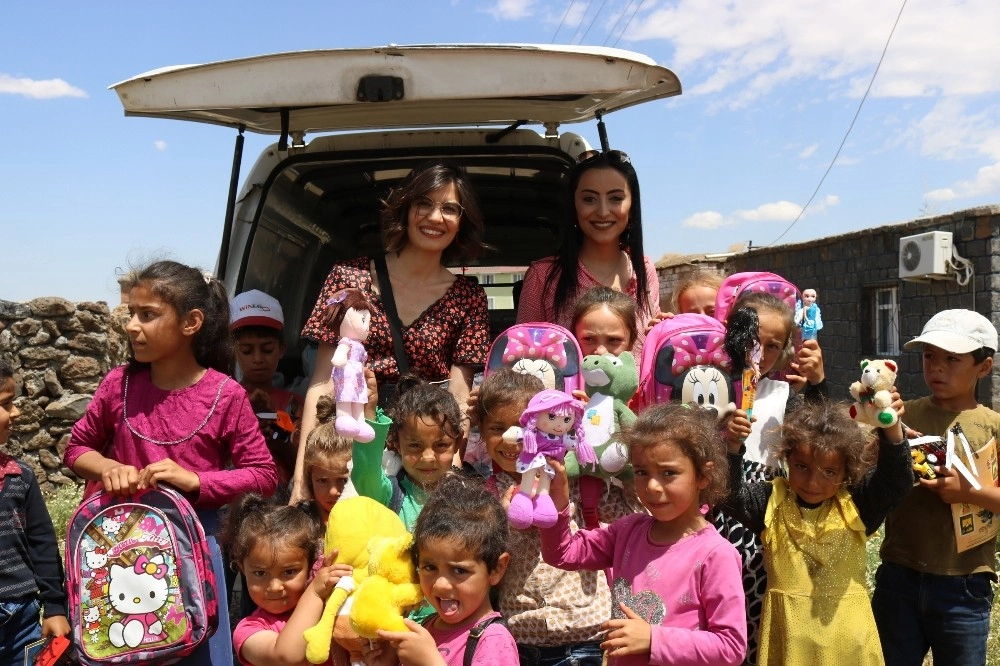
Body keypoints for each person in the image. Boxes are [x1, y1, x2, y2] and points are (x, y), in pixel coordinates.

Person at [63, 260, 279, 665]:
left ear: (191, 322)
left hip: (194, 553)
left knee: (193, 644)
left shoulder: (225, 394)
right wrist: (109, 468)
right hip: (121, 551)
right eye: (131, 313)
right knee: (124, 641)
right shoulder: (119, 385)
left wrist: (196, 481)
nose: (131, 326)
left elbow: (264, 476)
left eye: (147, 315)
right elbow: (77, 448)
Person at [296, 161, 492, 500]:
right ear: (405, 209)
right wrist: (301, 480)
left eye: (449, 208)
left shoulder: (469, 296)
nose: (435, 217)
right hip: (349, 451)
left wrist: (453, 466)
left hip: (424, 456)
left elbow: (459, 395)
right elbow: (323, 383)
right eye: (424, 204)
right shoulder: (348, 277)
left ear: (462, 222)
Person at [538, 403, 746, 666]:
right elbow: (562, 553)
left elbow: (731, 647)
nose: (652, 486)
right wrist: (558, 499)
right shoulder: (628, 531)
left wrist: (654, 640)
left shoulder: (716, 555)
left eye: (668, 473)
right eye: (641, 472)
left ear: (703, 475)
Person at [723, 401, 911, 664]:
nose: (813, 482)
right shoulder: (771, 502)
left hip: (848, 645)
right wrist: (732, 445)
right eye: (802, 467)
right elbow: (730, 496)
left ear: (848, 471)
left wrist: (891, 427)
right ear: (787, 458)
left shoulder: (857, 506)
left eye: (829, 472)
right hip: (790, 646)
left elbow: (897, 481)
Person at [475, 369, 639, 666]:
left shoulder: (577, 481)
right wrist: (499, 518)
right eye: (497, 428)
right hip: (522, 639)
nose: (512, 439)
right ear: (482, 434)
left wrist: (603, 432)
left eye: (522, 425)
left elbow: (633, 512)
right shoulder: (483, 497)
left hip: (585, 634)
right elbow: (480, 562)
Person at [871, 309, 1000, 665]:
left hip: (964, 585)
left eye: (952, 359)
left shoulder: (992, 426)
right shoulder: (903, 414)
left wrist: (968, 492)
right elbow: (865, 467)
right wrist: (880, 423)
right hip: (899, 574)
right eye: (930, 356)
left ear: (984, 367)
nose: (937, 367)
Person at [717, 289, 827, 665]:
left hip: (760, 525)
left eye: (772, 345)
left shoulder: (782, 396)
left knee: (756, 622)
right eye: (749, 340)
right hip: (706, 516)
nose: (757, 353)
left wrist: (817, 384)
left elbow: (820, 437)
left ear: (783, 354)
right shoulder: (701, 387)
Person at [517, 150, 659, 358]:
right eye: (589, 199)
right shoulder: (543, 275)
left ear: (632, 206)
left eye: (616, 198)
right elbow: (522, 358)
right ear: (573, 205)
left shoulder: (644, 269)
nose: (602, 211)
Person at [366, 474, 517, 666]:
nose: (440, 584)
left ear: (496, 568)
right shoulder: (427, 626)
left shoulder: (493, 639)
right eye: (430, 567)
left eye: (459, 571)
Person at [223, 495, 351, 666]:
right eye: (260, 573)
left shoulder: (329, 608)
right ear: (242, 568)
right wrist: (314, 592)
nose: (274, 587)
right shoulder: (247, 630)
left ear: (312, 565)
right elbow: (285, 656)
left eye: (289, 571)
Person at [0, 360, 70, 664]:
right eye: (5, 403)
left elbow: (42, 545)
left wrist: (54, 607)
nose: (16, 412)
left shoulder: (20, 476)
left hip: (21, 621)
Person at [351, 375, 465, 533]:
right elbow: (366, 473)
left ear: (457, 443)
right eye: (415, 446)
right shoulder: (390, 495)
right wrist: (369, 410)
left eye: (441, 445)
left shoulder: (466, 497)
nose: (428, 457)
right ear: (397, 444)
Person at [231, 288, 303, 417]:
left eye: (267, 349)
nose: (258, 359)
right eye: (247, 351)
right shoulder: (223, 403)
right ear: (233, 351)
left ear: (281, 349)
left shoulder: (295, 405)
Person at [303, 395, 354, 523]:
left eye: (343, 480)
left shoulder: (368, 519)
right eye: (322, 480)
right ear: (310, 479)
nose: (333, 491)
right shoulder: (303, 526)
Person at [570, 286, 638, 357]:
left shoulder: (646, 368)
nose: (601, 352)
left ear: (631, 342)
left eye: (613, 340)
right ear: (573, 339)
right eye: (589, 339)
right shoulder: (560, 368)